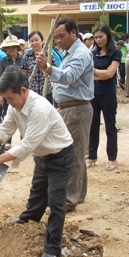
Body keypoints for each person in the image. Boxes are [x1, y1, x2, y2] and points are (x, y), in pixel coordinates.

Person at [0, 66, 73, 257]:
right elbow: (4, 131)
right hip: (43, 157)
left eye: (11, 98)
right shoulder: (15, 106)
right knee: (37, 193)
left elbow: (28, 144)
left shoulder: (40, 108)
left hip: (60, 157)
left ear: (23, 91)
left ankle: (52, 250)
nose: (9, 103)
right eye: (6, 99)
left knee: (56, 202)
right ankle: (28, 220)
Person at [35, 17, 94, 213]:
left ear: (73, 34)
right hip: (69, 109)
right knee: (76, 152)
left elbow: (69, 77)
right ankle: (78, 194)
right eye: (57, 37)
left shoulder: (80, 53)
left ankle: (69, 199)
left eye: (62, 36)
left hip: (76, 110)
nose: (58, 40)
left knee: (74, 155)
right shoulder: (70, 53)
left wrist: (48, 68)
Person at [87, 24, 121, 171]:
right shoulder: (92, 53)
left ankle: (112, 158)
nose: (98, 40)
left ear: (108, 36)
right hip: (93, 94)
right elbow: (88, 75)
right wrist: (100, 73)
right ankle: (92, 156)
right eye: (96, 37)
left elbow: (110, 74)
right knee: (93, 126)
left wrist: (94, 71)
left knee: (110, 126)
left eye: (101, 37)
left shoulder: (116, 53)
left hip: (108, 94)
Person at [0, 35, 23, 137]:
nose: (11, 49)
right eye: (9, 47)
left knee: (23, 117)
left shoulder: (23, 59)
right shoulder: (2, 62)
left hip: (21, 94)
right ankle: (7, 140)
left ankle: (23, 140)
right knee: (8, 118)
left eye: (13, 47)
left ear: (17, 48)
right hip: (8, 95)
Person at [21, 30, 56, 104]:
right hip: (32, 93)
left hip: (47, 91)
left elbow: (55, 72)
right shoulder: (26, 56)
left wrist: (48, 72)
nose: (34, 43)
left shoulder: (49, 55)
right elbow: (24, 75)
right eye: (32, 41)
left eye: (36, 40)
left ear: (42, 40)